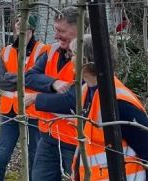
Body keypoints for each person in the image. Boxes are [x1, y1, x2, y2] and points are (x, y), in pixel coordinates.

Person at [25, 35, 148, 180]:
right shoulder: (86, 92)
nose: (69, 57)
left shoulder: (119, 102)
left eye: (73, 54)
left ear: (86, 62)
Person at [0, 6, 84, 180]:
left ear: (79, 29)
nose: (56, 36)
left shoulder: (88, 57)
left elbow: (73, 100)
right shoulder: (52, 51)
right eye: (56, 30)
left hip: (76, 141)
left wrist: (37, 98)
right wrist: (53, 83)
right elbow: (29, 76)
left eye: (61, 31)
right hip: (48, 135)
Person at [0, 14, 46, 180]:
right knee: (1, 156)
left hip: (33, 111)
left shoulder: (43, 51)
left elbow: (41, 82)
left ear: (32, 29)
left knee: (33, 156)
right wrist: (25, 77)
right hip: (10, 112)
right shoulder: (6, 51)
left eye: (24, 24)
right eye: (17, 23)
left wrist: (14, 76)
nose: (19, 27)